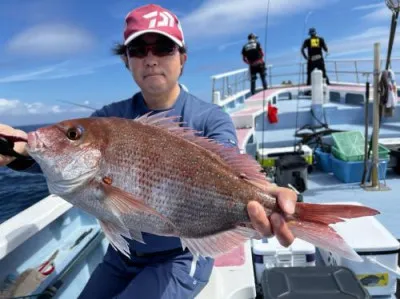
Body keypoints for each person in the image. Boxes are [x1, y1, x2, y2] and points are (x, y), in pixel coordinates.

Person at [0, 4, 297, 299]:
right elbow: (67, 161)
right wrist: (20, 151)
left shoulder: (210, 118)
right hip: (124, 254)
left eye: (163, 48)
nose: (151, 59)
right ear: (127, 61)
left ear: (182, 58)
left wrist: (266, 195)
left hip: (182, 254)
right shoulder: (107, 118)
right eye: (138, 50)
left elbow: (235, 176)